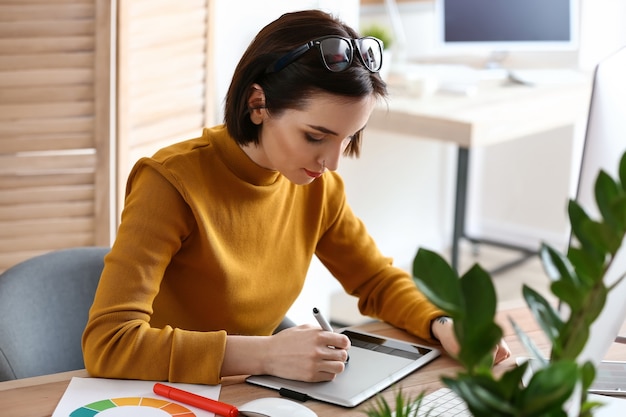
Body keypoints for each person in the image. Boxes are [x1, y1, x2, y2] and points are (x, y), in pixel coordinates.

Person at [82, 9, 510, 385]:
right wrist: (267, 353)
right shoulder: (171, 184)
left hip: (248, 386)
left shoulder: (316, 187)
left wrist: (442, 323)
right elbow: (109, 343)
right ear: (257, 104)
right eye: (315, 136)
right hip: (160, 393)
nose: (332, 163)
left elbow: (375, 280)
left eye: (347, 139)